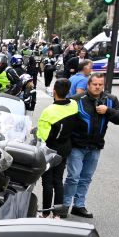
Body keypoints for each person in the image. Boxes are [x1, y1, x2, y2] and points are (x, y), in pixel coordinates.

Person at [64, 74, 119, 218]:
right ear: (88, 85)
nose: (98, 87)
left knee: (86, 177)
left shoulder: (110, 100)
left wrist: (108, 111)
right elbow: (66, 122)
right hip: (77, 146)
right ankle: (65, 204)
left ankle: (79, 205)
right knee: (73, 176)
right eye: (95, 84)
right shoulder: (76, 100)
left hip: (95, 147)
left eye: (100, 84)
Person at [36, 78, 78, 215]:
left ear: (54, 91)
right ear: (68, 91)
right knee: (58, 180)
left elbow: (42, 136)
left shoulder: (49, 111)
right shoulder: (73, 105)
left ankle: (46, 213)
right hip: (65, 148)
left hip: (50, 150)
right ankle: (58, 214)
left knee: (47, 182)